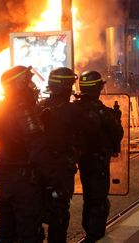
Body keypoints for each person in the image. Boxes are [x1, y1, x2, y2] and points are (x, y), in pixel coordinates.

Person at [0, 65, 50, 243]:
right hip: (23, 180)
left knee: (6, 231)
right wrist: (53, 179)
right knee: (29, 232)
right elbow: (37, 148)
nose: (31, 85)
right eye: (27, 81)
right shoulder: (23, 110)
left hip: (3, 177)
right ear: (17, 84)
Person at [75, 70, 124, 242]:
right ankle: (94, 235)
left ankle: (88, 229)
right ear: (97, 89)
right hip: (98, 162)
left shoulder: (73, 109)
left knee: (88, 197)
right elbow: (118, 134)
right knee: (97, 199)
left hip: (79, 160)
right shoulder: (103, 112)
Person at [39, 67, 81, 242]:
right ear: (65, 87)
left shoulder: (37, 107)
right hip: (61, 170)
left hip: (39, 169)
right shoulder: (72, 111)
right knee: (59, 216)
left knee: (37, 212)